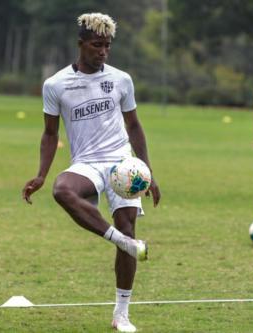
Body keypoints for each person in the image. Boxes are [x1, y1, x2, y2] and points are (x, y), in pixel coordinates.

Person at [22, 13, 161, 332]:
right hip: (86, 162)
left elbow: (134, 126)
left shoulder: (121, 79)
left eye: (108, 46)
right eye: (97, 45)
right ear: (81, 44)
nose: (103, 52)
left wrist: (148, 171)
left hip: (122, 162)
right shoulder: (55, 84)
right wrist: (41, 174)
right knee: (62, 190)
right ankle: (120, 241)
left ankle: (121, 314)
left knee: (127, 223)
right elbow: (49, 133)